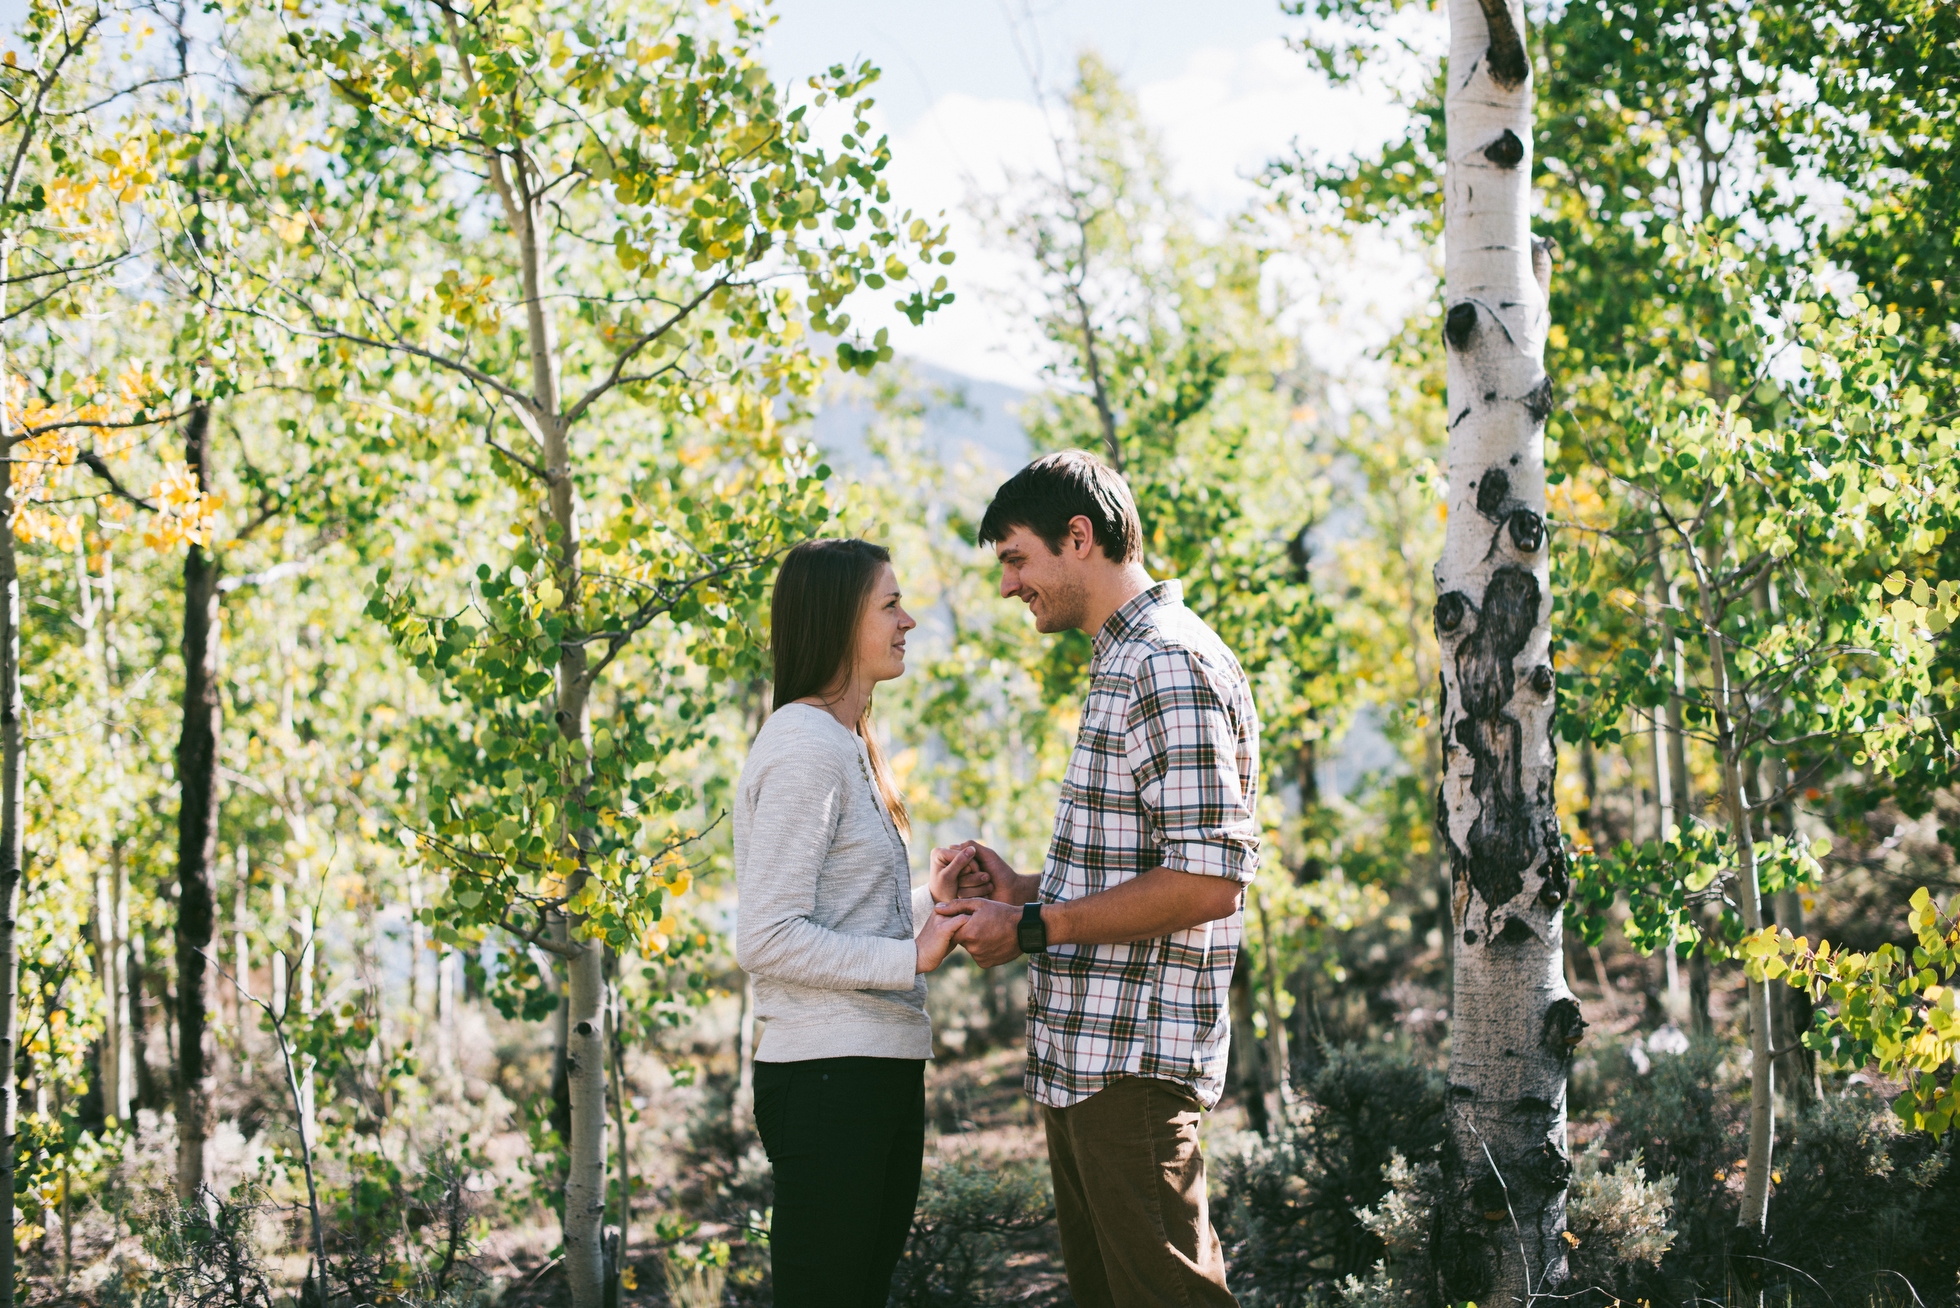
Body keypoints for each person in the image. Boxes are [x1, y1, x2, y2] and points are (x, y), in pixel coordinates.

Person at [937, 451, 1259, 1308]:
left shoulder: (1166, 663)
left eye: (1016, 559)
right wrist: (1021, 893)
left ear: (1078, 538)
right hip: (1089, 1065)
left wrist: (1035, 929)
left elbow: (1207, 881)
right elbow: (1133, 866)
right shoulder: (1122, 659)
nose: (1009, 586)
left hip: (1133, 1074)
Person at [734, 538, 974, 1307]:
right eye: (890, 604)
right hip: (828, 1081)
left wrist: (930, 906)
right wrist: (912, 959)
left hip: (871, 1070)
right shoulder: (805, 747)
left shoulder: (846, 744)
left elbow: (847, 920)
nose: (909, 620)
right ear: (841, 620)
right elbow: (767, 936)